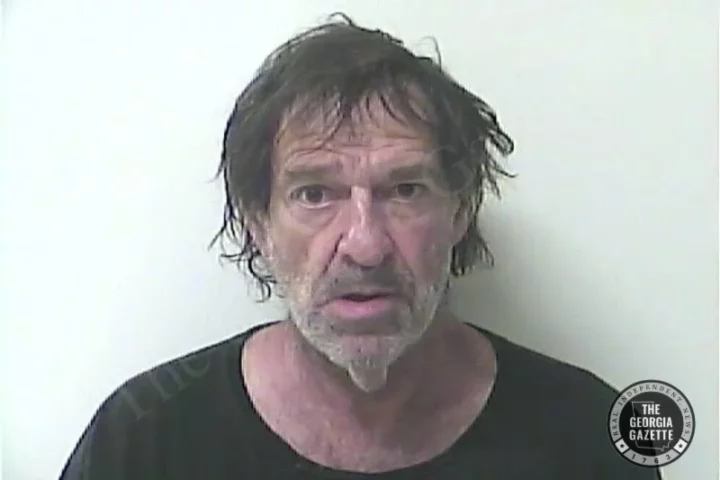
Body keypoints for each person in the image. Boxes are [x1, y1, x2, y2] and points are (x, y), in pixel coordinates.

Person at [60, 14, 662, 479]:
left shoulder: (587, 437)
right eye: (314, 194)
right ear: (257, 222)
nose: (365, 245)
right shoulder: (144, 439)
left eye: (405, 190)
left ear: (460, 211)